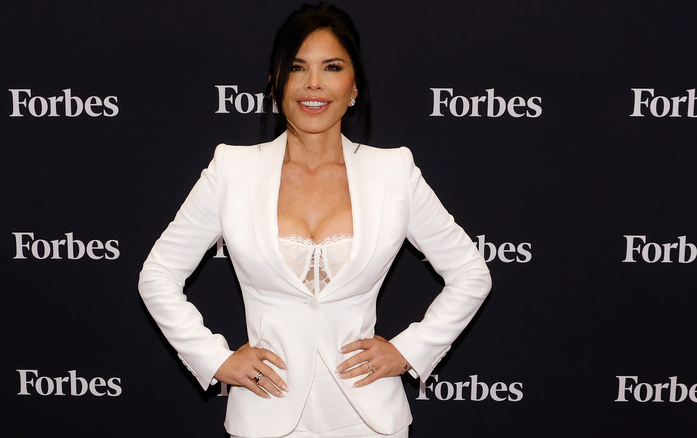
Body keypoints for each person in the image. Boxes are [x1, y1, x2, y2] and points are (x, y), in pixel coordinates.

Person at [138, 3, 491, 437]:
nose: (314, 84)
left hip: (369, 419)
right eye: (298, 67)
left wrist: (409, 350)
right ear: (275, 84)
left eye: (332, 67)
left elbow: (471, 273)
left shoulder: (393, 172)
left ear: (354, 85)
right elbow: (158, 275)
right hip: (266, 413)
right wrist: (214, 359)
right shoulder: (232, 170)